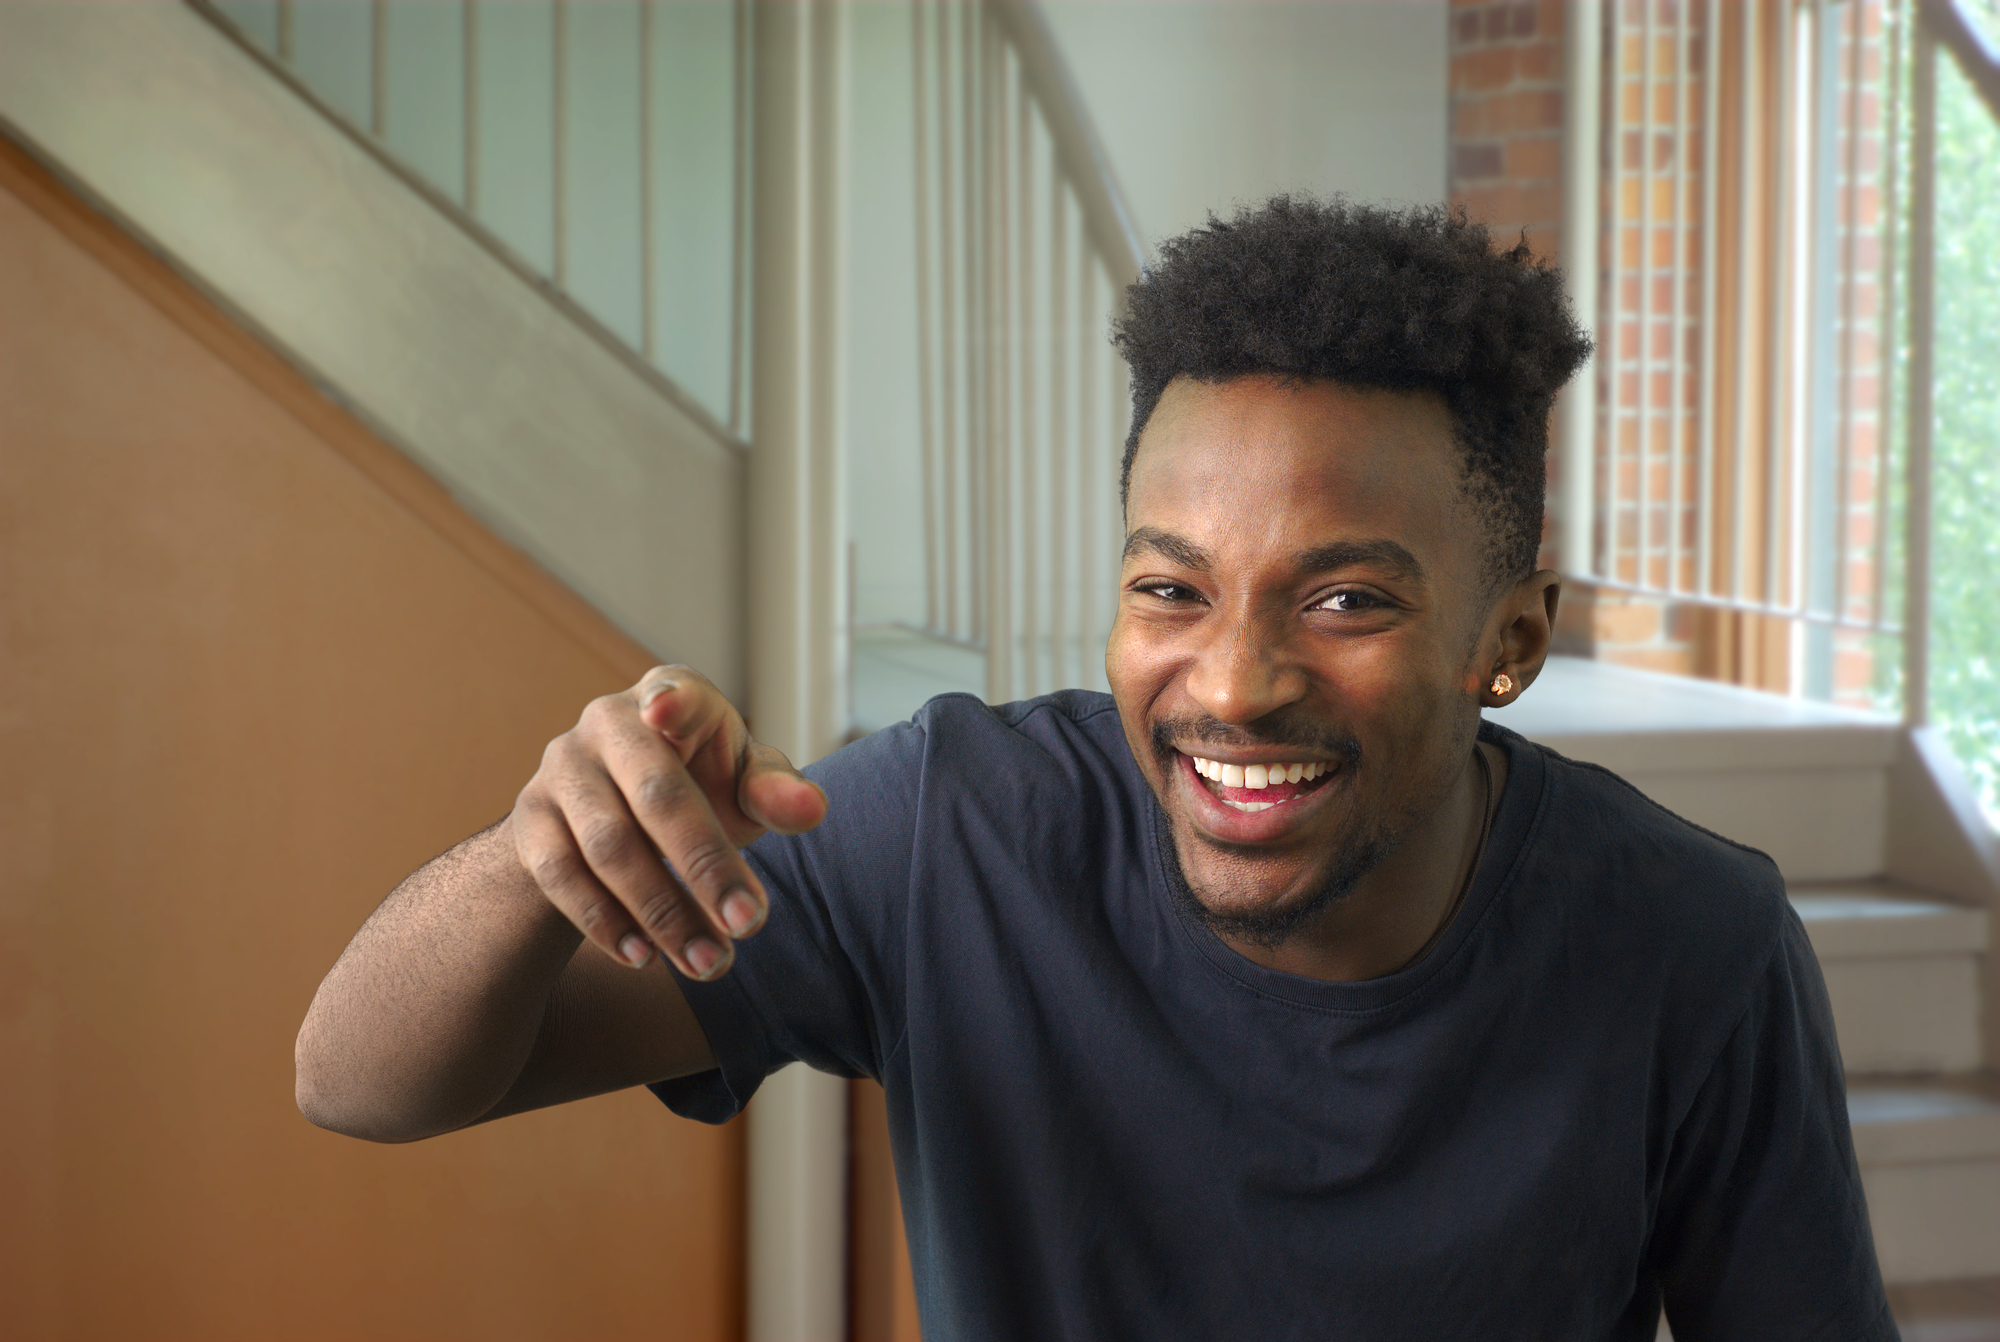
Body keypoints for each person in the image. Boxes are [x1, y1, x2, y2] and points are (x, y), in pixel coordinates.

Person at [297, 198, 1895, 1340]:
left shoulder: (1694, 940)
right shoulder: (955, 830)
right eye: (1171, 587)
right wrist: (530, 859)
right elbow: (357, 1082)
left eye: (1345, 599)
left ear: (1513, 641)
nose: (1236, 684)